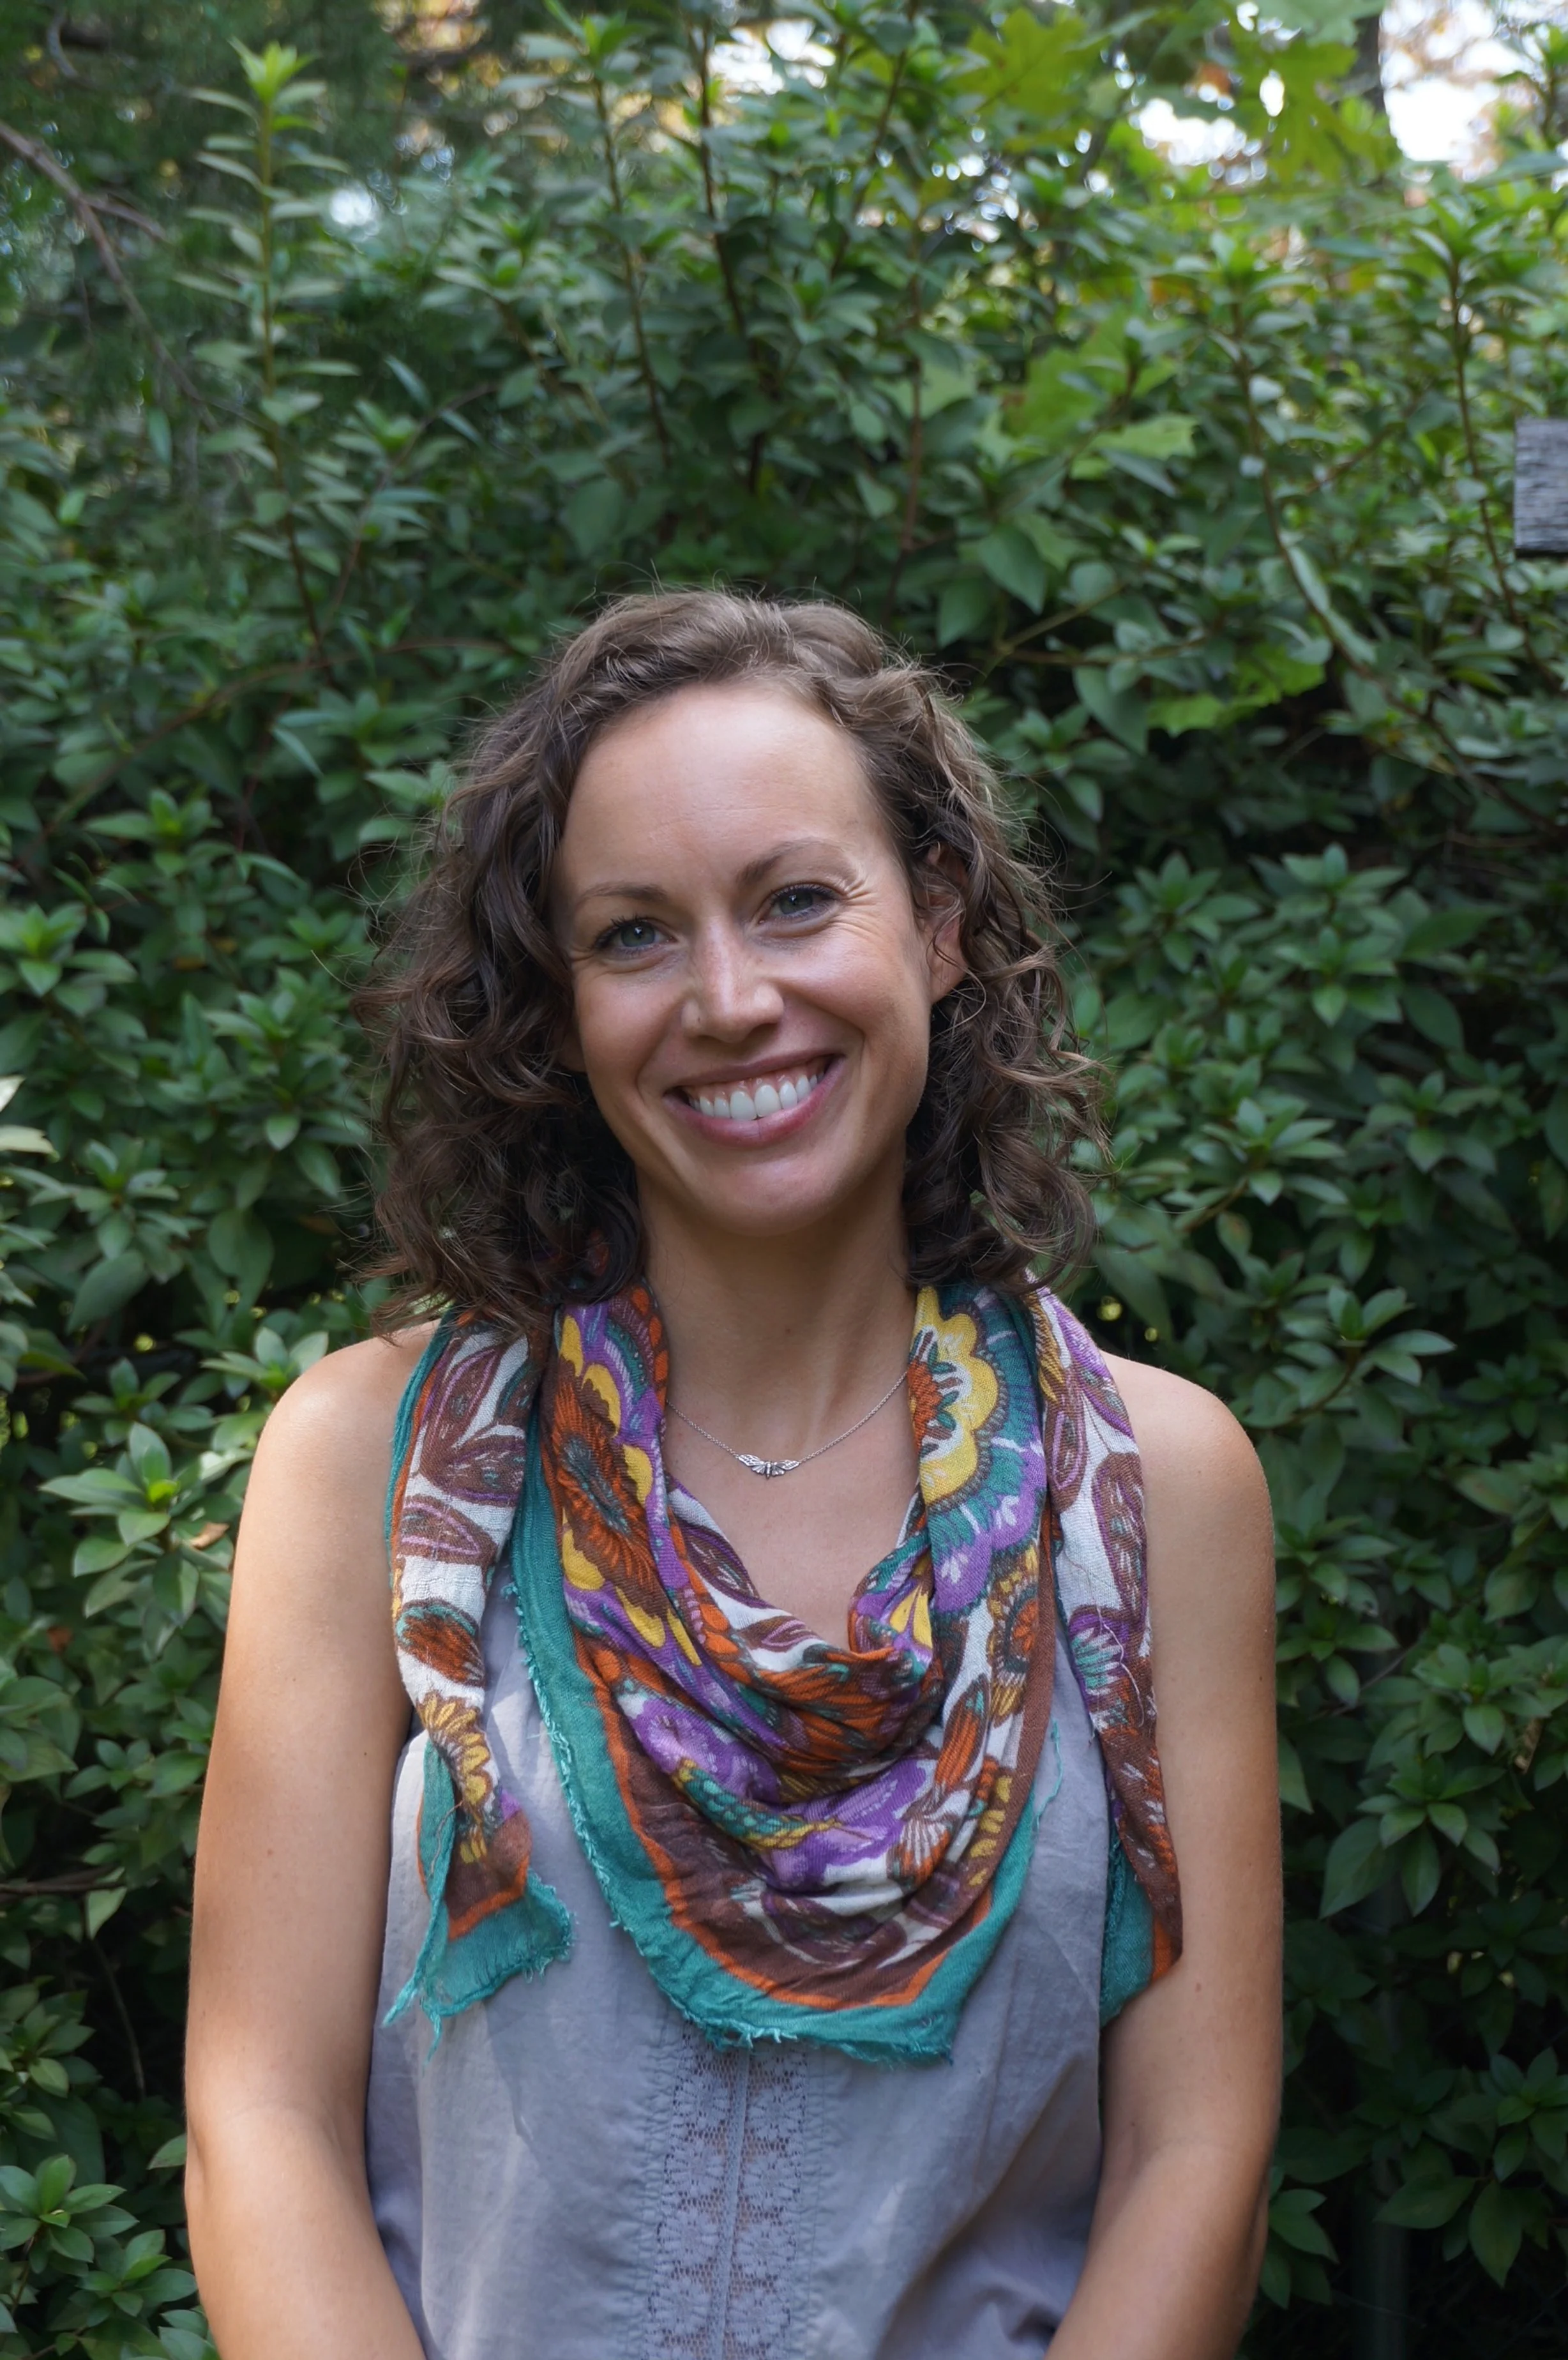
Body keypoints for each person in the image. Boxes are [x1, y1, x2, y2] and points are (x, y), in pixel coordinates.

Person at [185, 590, 1280, 2360]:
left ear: (931, 920)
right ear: (559, 1003)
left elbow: (1195, 2151)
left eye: (793, 900)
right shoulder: (369, 1469)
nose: (728, 998)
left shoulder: (1159, 1487)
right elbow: (260, 2127)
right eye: (633, 934)